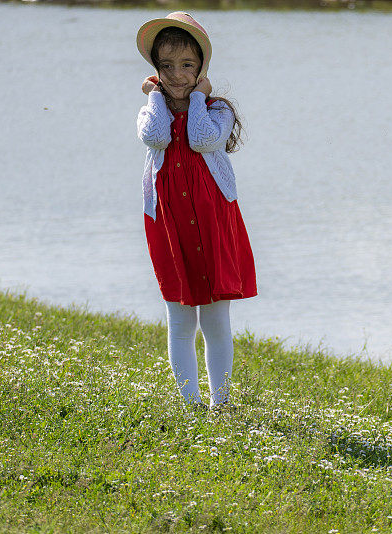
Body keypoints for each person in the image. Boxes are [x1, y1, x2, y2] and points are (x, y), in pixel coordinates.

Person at [135, 12, 257, 410]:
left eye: (187, 65)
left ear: (203, 67)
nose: (177, 74)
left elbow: (202, 140)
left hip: (212, 220)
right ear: (155, 69)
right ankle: (190, 406)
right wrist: (155, 96)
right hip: (170, 223)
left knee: (216, 321)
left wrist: (201, 97)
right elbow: (155, 136)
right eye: (166, 66)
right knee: (181, 319)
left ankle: (220, 405)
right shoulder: (152, 112)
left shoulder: (217, 111)